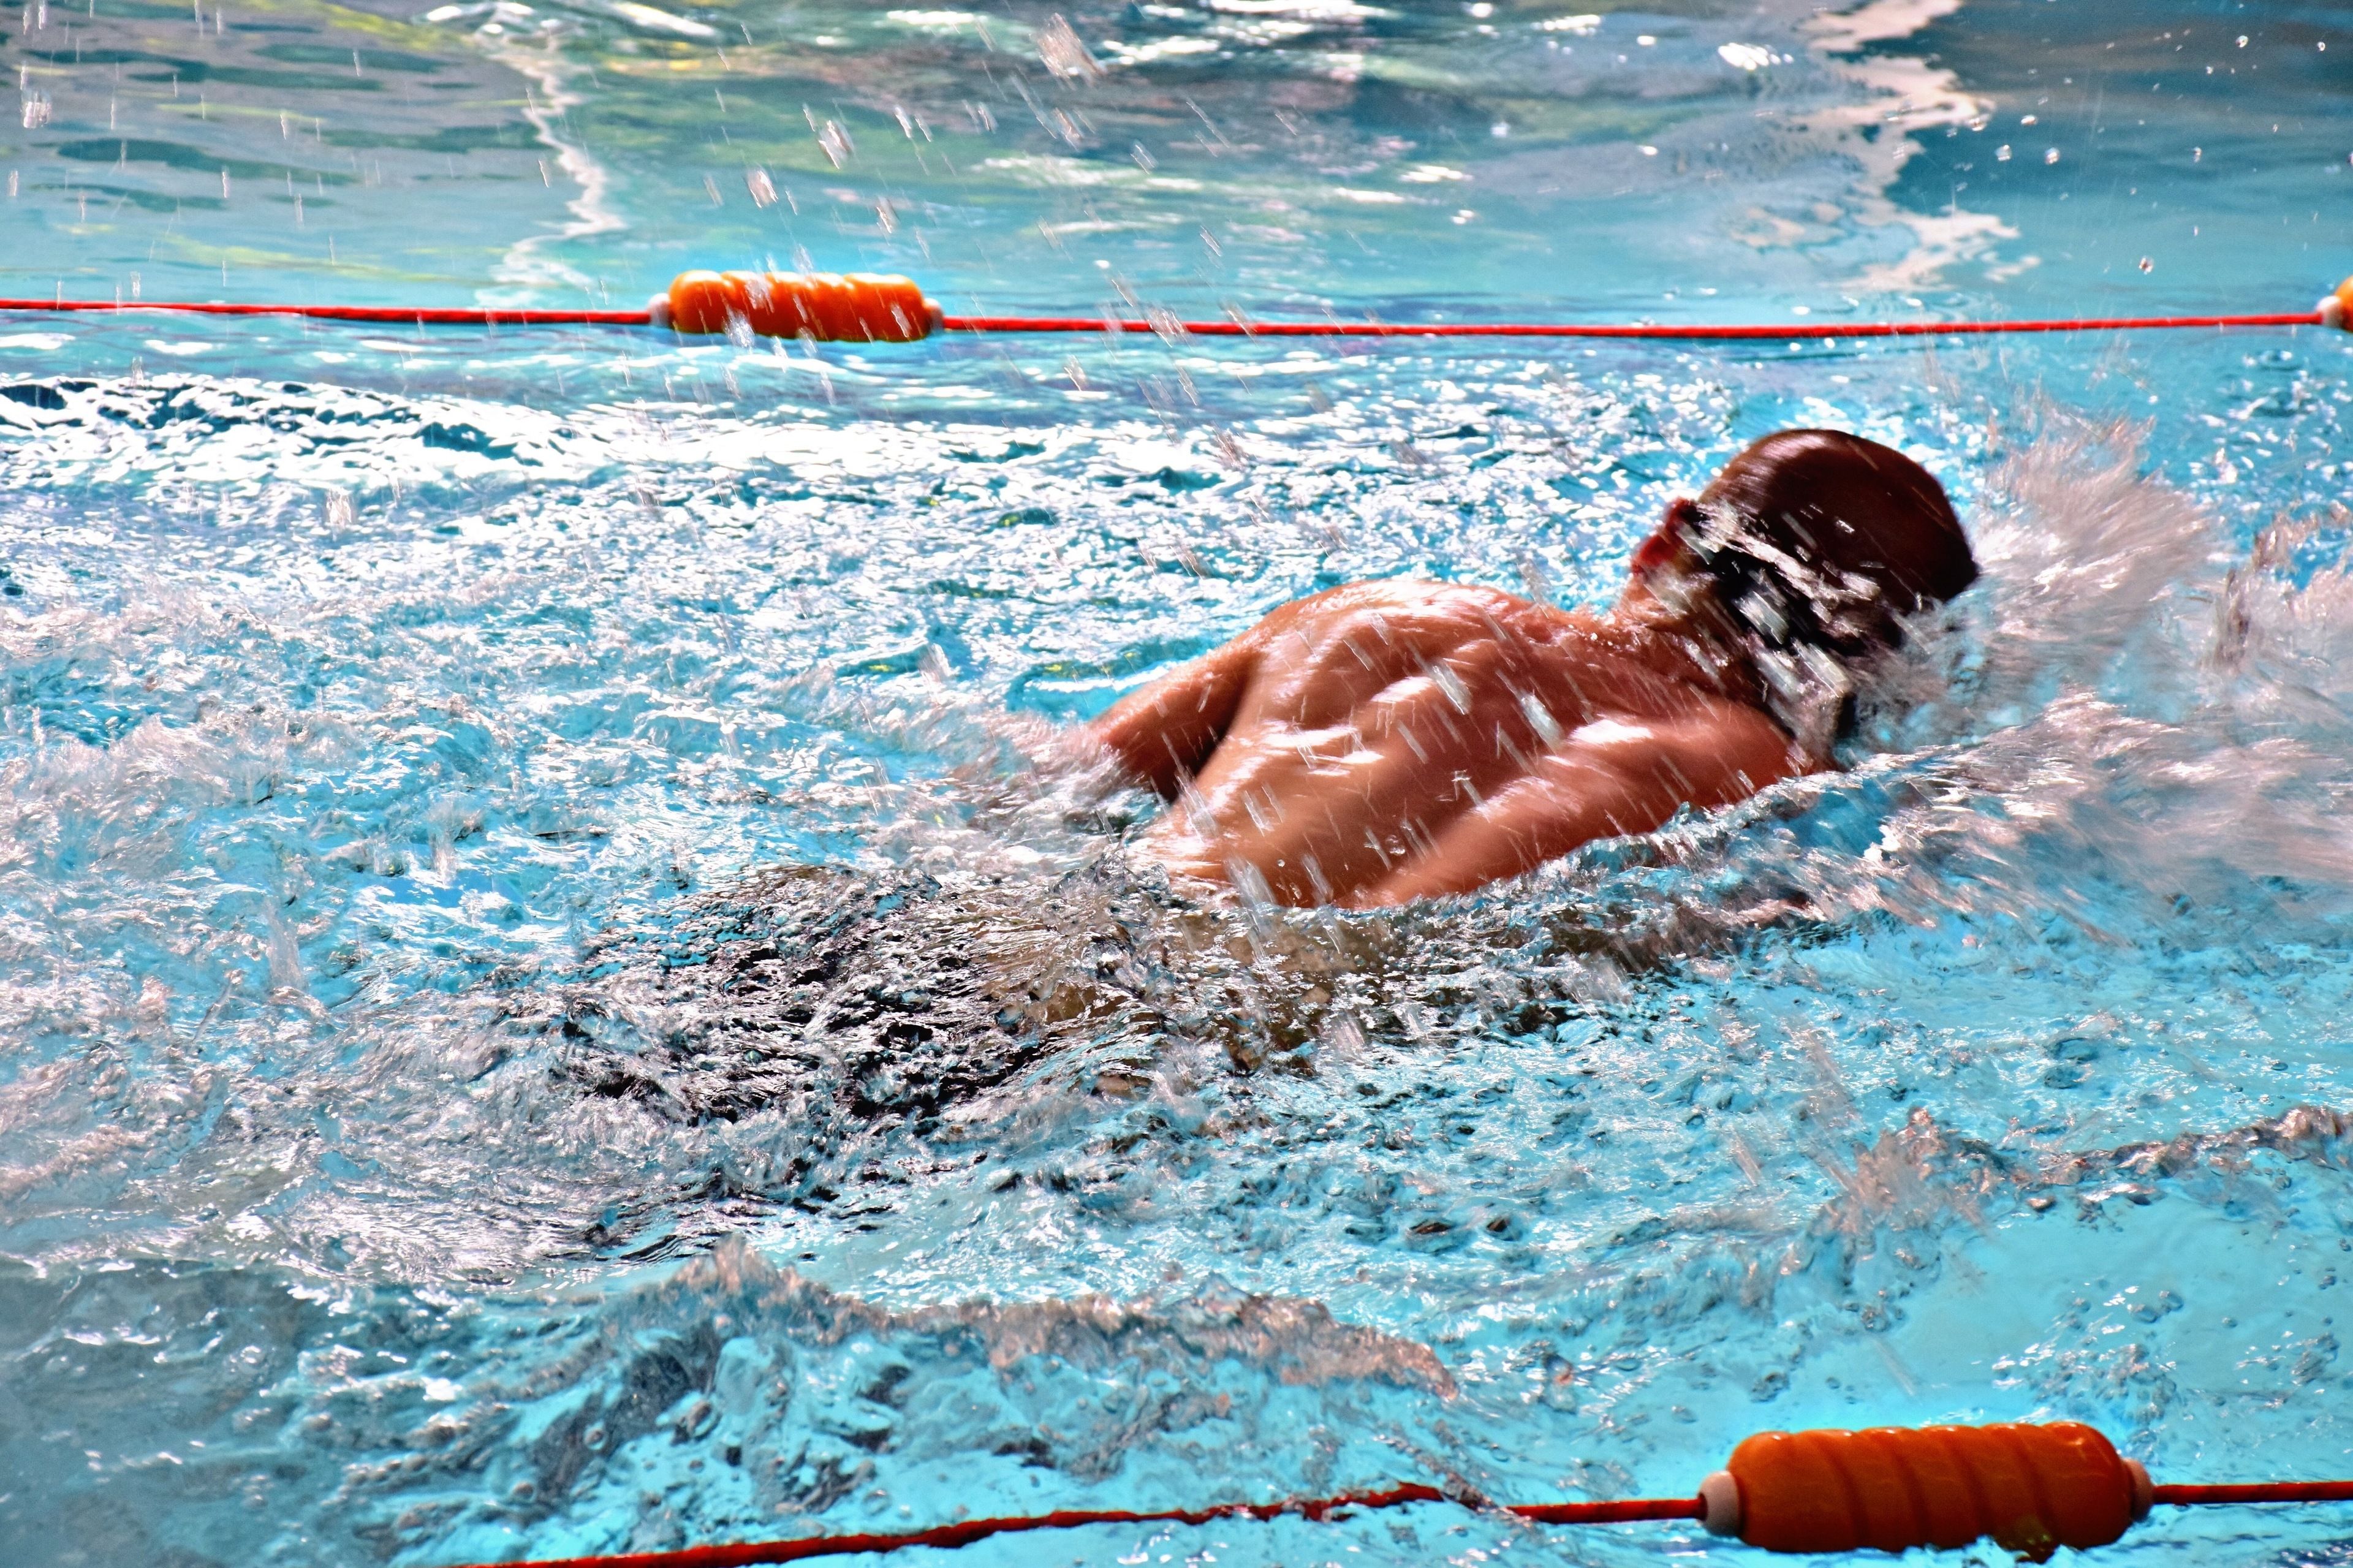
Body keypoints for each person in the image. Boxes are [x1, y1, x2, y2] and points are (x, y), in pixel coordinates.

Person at [1086, 428, 1977, 908]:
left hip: (1034, 958)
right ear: (1869, 669)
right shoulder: (1776, 780)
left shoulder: (1377, 615)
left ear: (1663, 539)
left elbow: (1054, 790)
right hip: (1251, 1050)